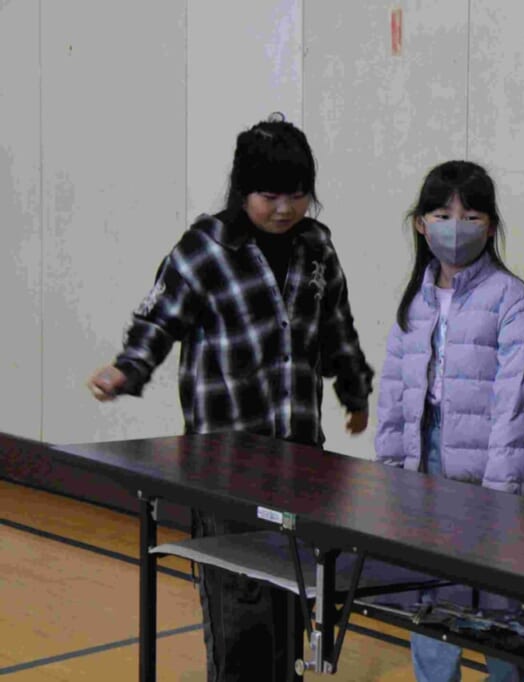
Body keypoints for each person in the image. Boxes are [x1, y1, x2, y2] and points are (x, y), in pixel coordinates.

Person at [87, 114, 374, 681]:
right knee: (240, 604)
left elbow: (336, 325)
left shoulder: (316, 246)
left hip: (298, 457)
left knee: (290, 597)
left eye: (297, 195)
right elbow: (159, 318)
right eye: (270, 196)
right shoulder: (206, 247)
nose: (285, 209)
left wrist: (353, 389)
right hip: (224, 464)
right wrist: (127, 369)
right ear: (243, 191)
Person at [374, 159, 524, 682]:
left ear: (490, 226)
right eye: (442, 215)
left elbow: (516, 403)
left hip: (488, 464)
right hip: (424, 462)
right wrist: (389, 471)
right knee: (428, 593)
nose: (455, 227)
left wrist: (503, 489)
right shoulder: (416, 300)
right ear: (420, 223)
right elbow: (394, 391)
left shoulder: (512, 299)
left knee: (499, 599)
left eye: (471, 216)